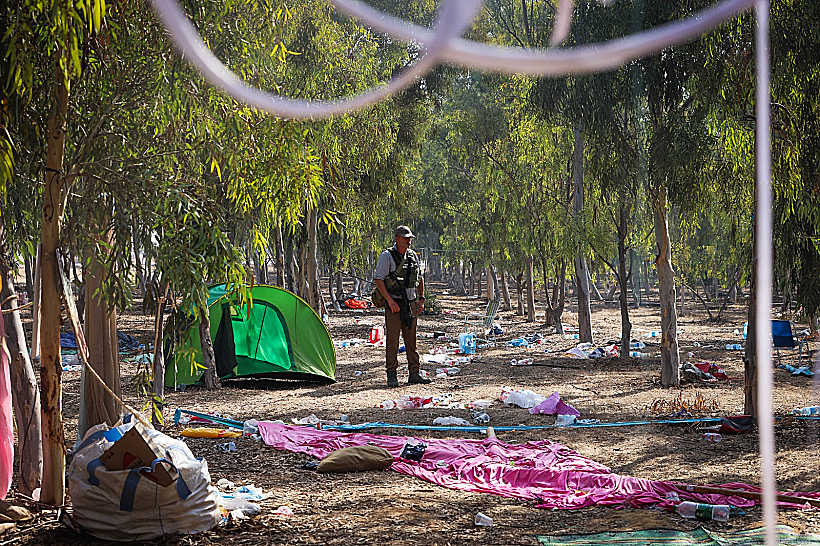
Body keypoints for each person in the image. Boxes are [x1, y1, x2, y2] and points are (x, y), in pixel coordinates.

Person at [374, 225, 429, 388]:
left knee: (411, 340)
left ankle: (414, 373)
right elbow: (379, 280)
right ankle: (391, 374)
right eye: (405, 238)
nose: (408, 241)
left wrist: (421, 299)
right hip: (394, 304)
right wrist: (390, 301)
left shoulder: (413, 256)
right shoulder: (387, 257)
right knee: (393, 341)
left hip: (410, 304)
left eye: (409, 238)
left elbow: (419, 278)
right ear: (397, 239)